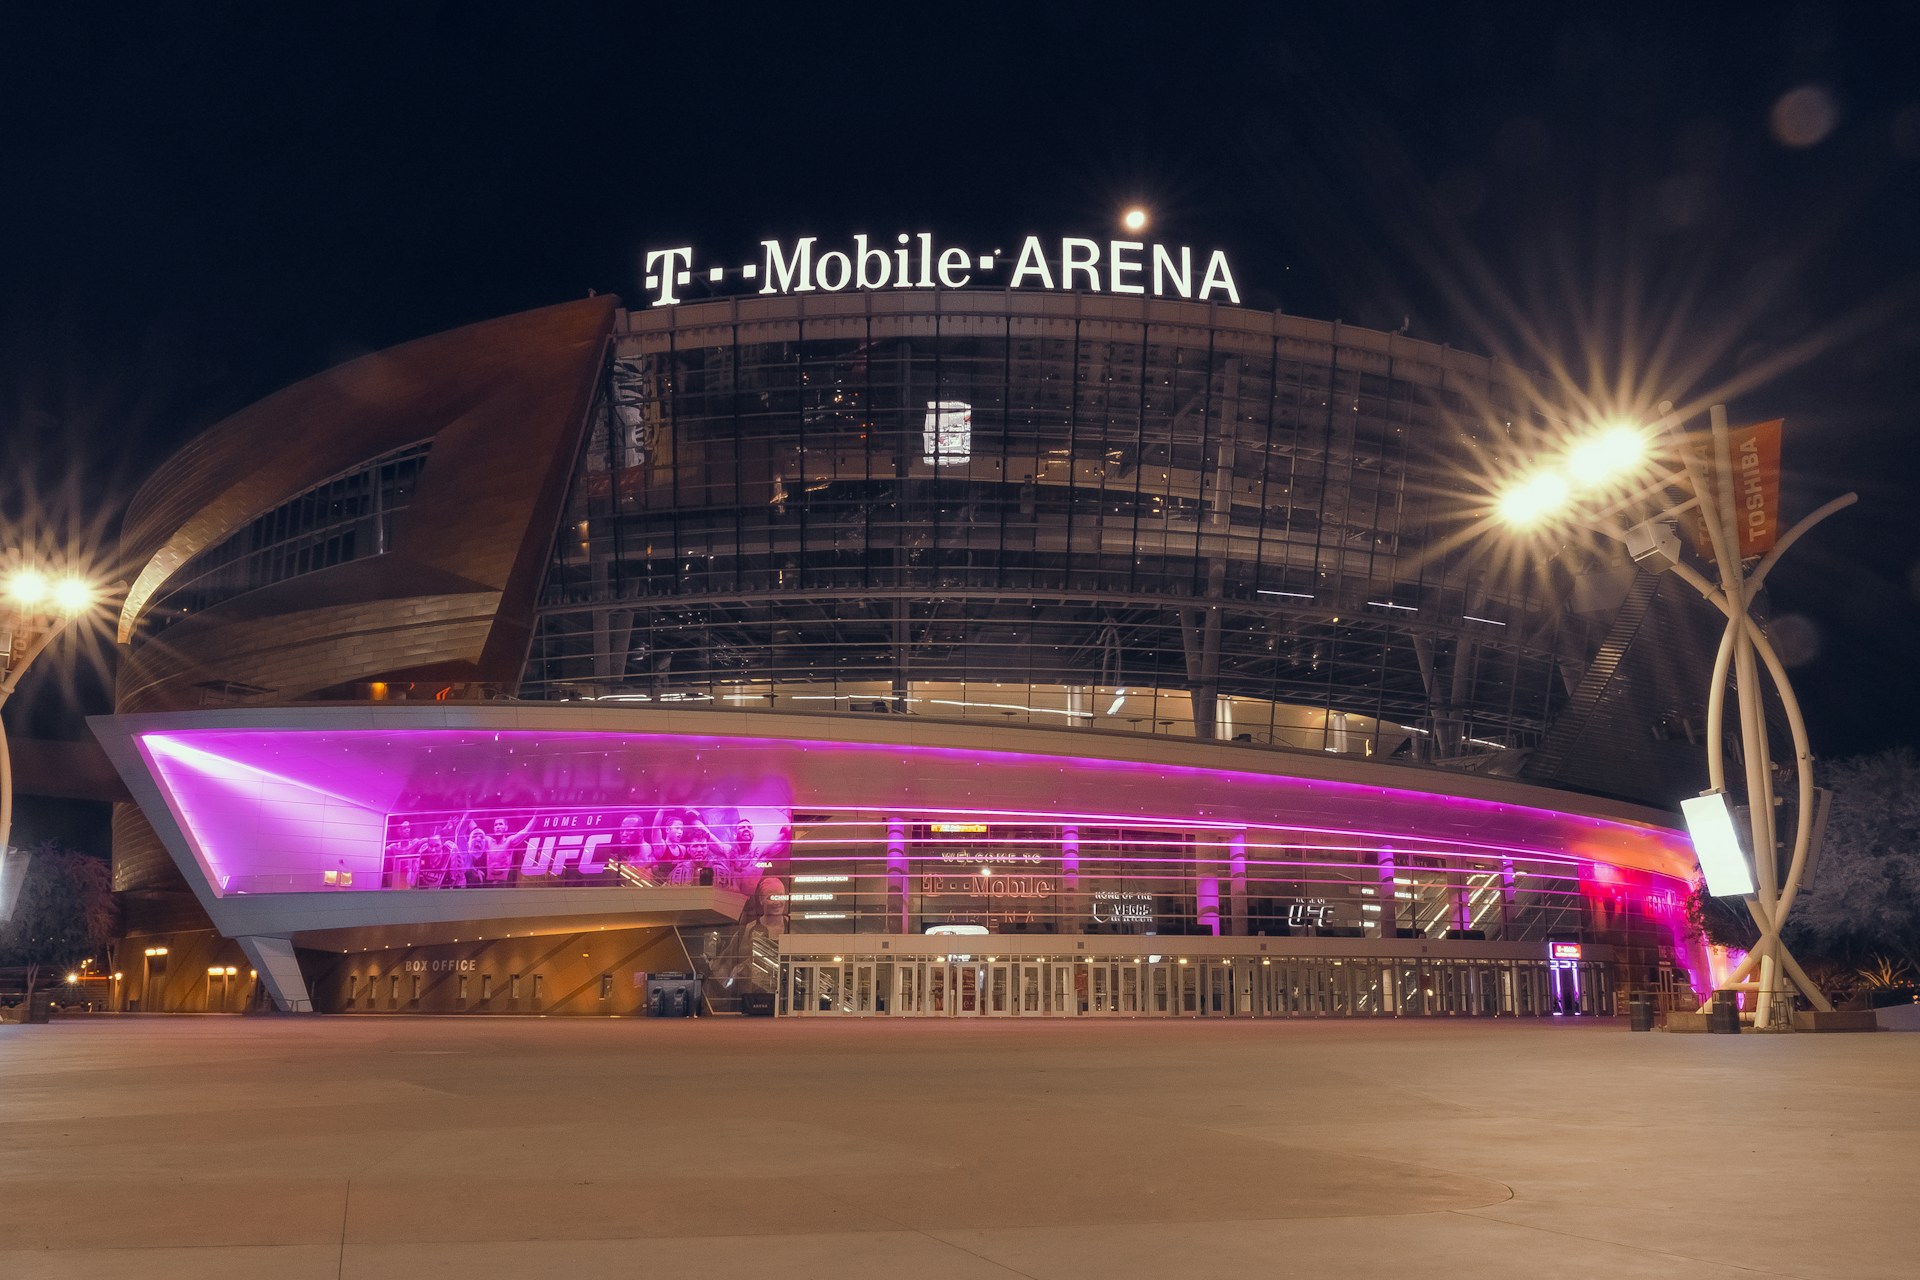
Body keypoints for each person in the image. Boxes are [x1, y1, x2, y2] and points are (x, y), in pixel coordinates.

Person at [465, 813, 540, 884]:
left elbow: (525, 832)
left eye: (501, 824)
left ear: (506, 827)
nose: (498, 826)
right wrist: (465, 814)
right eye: (496, 825)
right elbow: (476, 830)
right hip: (488, 882)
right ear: (494, 828)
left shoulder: (509, 842)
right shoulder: (488, 841)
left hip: (503, 882)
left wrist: (536, 817)